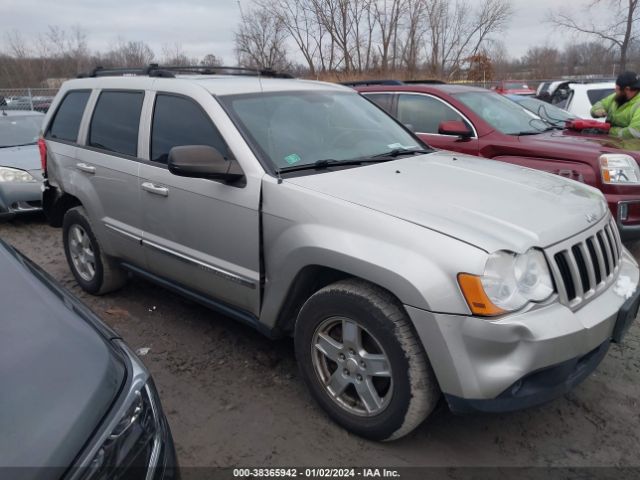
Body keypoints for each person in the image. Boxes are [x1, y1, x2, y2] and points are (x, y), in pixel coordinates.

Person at [591, 71, 640, 138]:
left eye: (617, 88)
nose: (615, 90)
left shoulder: (638, 105)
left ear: (627, 89)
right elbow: (600, 104)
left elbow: (634, 133)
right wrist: (597, 110)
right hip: (611, 144)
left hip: (628, 147)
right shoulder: (616, 97)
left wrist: (610, 130)